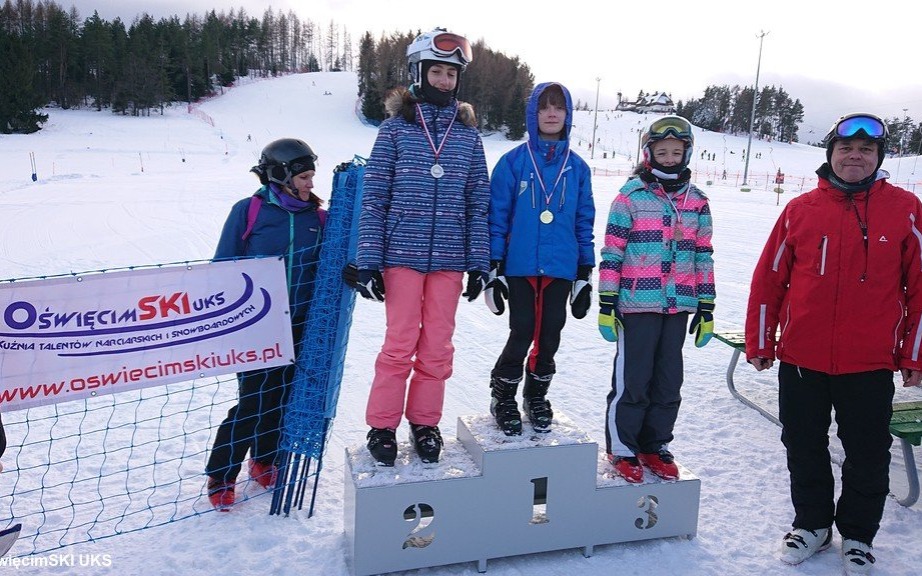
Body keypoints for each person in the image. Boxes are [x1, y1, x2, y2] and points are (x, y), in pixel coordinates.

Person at [745, 112, 922, 574]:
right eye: (846, 149)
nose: (855, 156)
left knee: (866, 453)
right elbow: (769, 279)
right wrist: (761, 339)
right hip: (802, 357)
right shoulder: (801, 210)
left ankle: (859, 535)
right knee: (802, 443)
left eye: (866, 150)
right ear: (831, 155)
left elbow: (921, 288)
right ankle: (813, 525)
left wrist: (914, 352)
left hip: (869, 361)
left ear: (879, 157)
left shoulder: (905, 208)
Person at [352, 28, 490, 466]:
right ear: (418, 72)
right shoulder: (393, 131)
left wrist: (480, 263)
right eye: (437, 71)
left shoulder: (469, 137)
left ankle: (425, 422)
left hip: (449, 259)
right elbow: (374, 199)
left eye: (452, 73)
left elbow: (477, 202)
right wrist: (369, 261)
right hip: (401, 257)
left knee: (437, 346)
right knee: (399, 344)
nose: (445, 81)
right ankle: (383, 425)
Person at [205, 138, 325, 511]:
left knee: (283, 397)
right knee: (252, 401)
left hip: (300, 324)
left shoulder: (317, 217)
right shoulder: (249, 211)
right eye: (303, 176)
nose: (309, 183)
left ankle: (264, 460)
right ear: (279, 175)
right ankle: (221, 474)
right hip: (255, 326)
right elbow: (223, 266)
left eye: (311, 176)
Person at [597, 115, 716, 483]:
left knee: (668, 381)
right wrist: (606, 302)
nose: (668, 157)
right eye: (661, 151)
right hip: (637, 304)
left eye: (675, 151)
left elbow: (703, 255)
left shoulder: (697, 202)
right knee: (634, 380)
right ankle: (623, 447)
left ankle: (654, 444)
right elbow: (612, 252)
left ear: (687, 154)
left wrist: (706, 305)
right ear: (649, 153)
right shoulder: (630, 197)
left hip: (677, 305)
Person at [484, 82, 596, 436]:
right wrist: (494, 266)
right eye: (544, 107)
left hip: (561, 264)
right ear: (533, 114)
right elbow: (497, 215)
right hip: (518, 265)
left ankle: (536, 396)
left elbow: (584, 220)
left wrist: (584, 272)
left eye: (558, 107)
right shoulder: (513, 162)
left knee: (550, 333)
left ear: (568, 115)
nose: (551, 113)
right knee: (522, 330)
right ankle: (503, 396)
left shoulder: (577, 169)